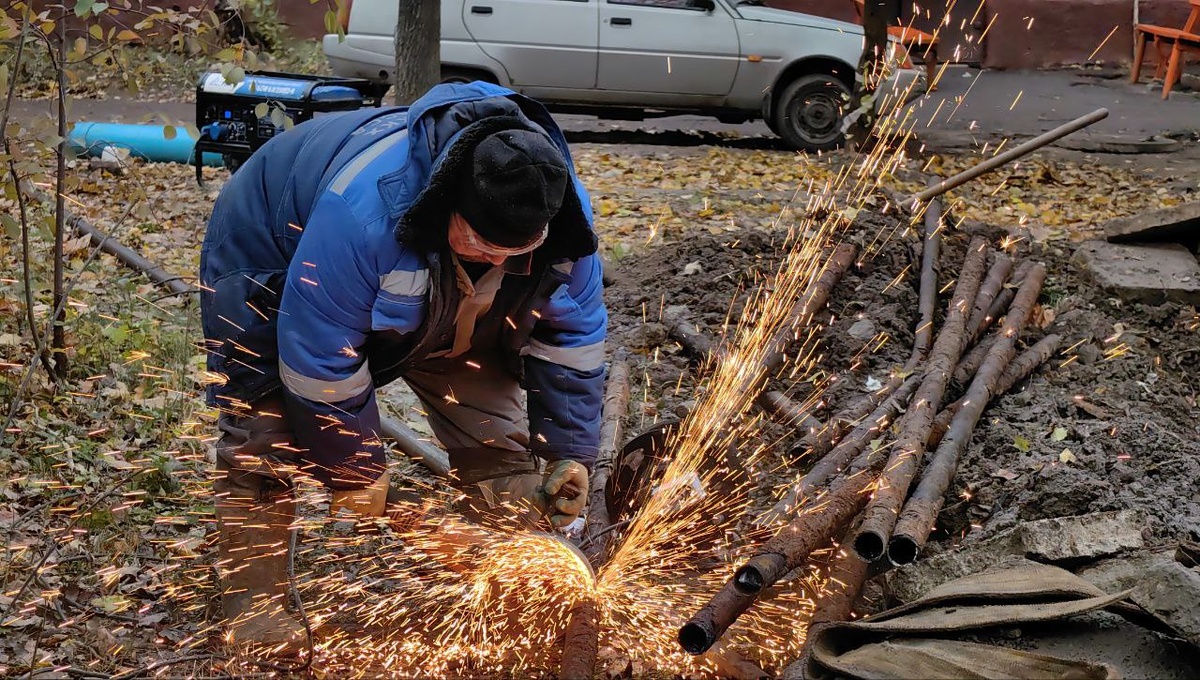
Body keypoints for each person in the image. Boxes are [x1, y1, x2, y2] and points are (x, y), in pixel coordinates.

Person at [199, 81, 607, 652]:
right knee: (265, 429)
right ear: (450, 202)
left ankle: (516, 579)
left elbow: (575, 342)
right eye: (483, 244)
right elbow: (319, 360)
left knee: (500, 440)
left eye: (513, 252)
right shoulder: (364, 214)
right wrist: (356, 470)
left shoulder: (560, 216)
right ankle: (256, 610)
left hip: (428, 287)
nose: (497, 259)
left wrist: (570, 452)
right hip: (270, 245)